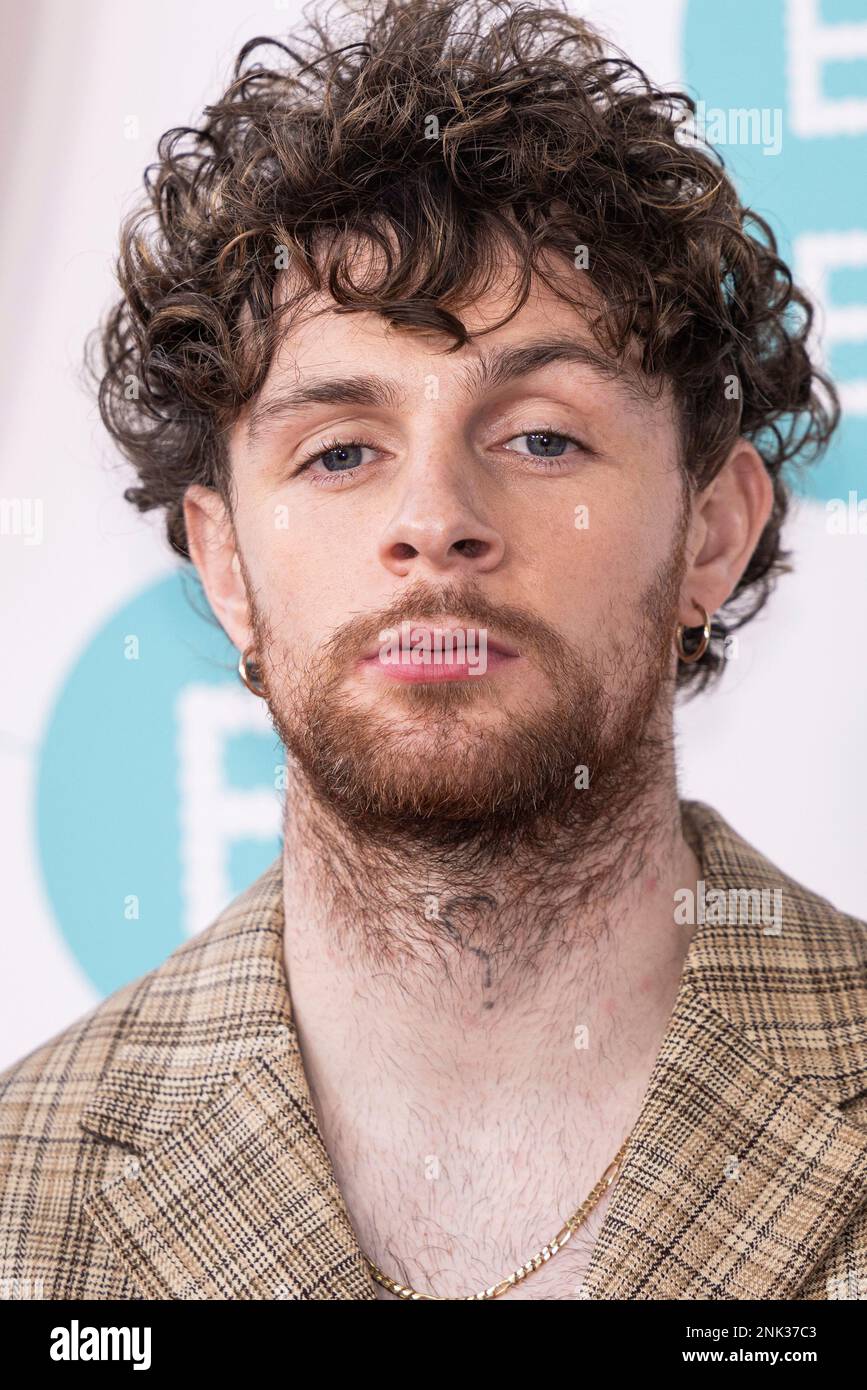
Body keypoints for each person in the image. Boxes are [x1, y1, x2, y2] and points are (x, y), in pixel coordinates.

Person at [2, 0, 865, 1302]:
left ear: (710, 533)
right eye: (342, 451)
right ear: (226, 564)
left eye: (540, 438)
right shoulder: (22, 1186)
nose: (435, 524)